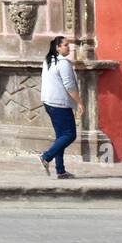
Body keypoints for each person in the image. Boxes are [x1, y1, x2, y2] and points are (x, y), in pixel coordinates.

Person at [37, 35, 82, 180]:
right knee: (70, 135)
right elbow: (69, 85)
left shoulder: (48, 60)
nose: (68, 47)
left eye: (68, 45)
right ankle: (46, 156)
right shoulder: (63, 63)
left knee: (61, 137)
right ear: (57, 47)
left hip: (48, 102)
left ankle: (60, 171)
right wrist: (80, 102)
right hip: (60, 103)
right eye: (65, 45)